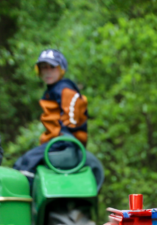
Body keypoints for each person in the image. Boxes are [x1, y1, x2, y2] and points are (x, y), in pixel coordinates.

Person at [13, 48, 104, 189]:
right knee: (26, 159)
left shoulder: (65, 88)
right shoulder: (51, 90)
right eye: (44, 68)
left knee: (25, 163)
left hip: (64, 142)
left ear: (61, 69)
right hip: (56, 141)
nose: (48, 71)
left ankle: (26, 196)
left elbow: (73, 117)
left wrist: (64, 133)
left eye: (52, 67)